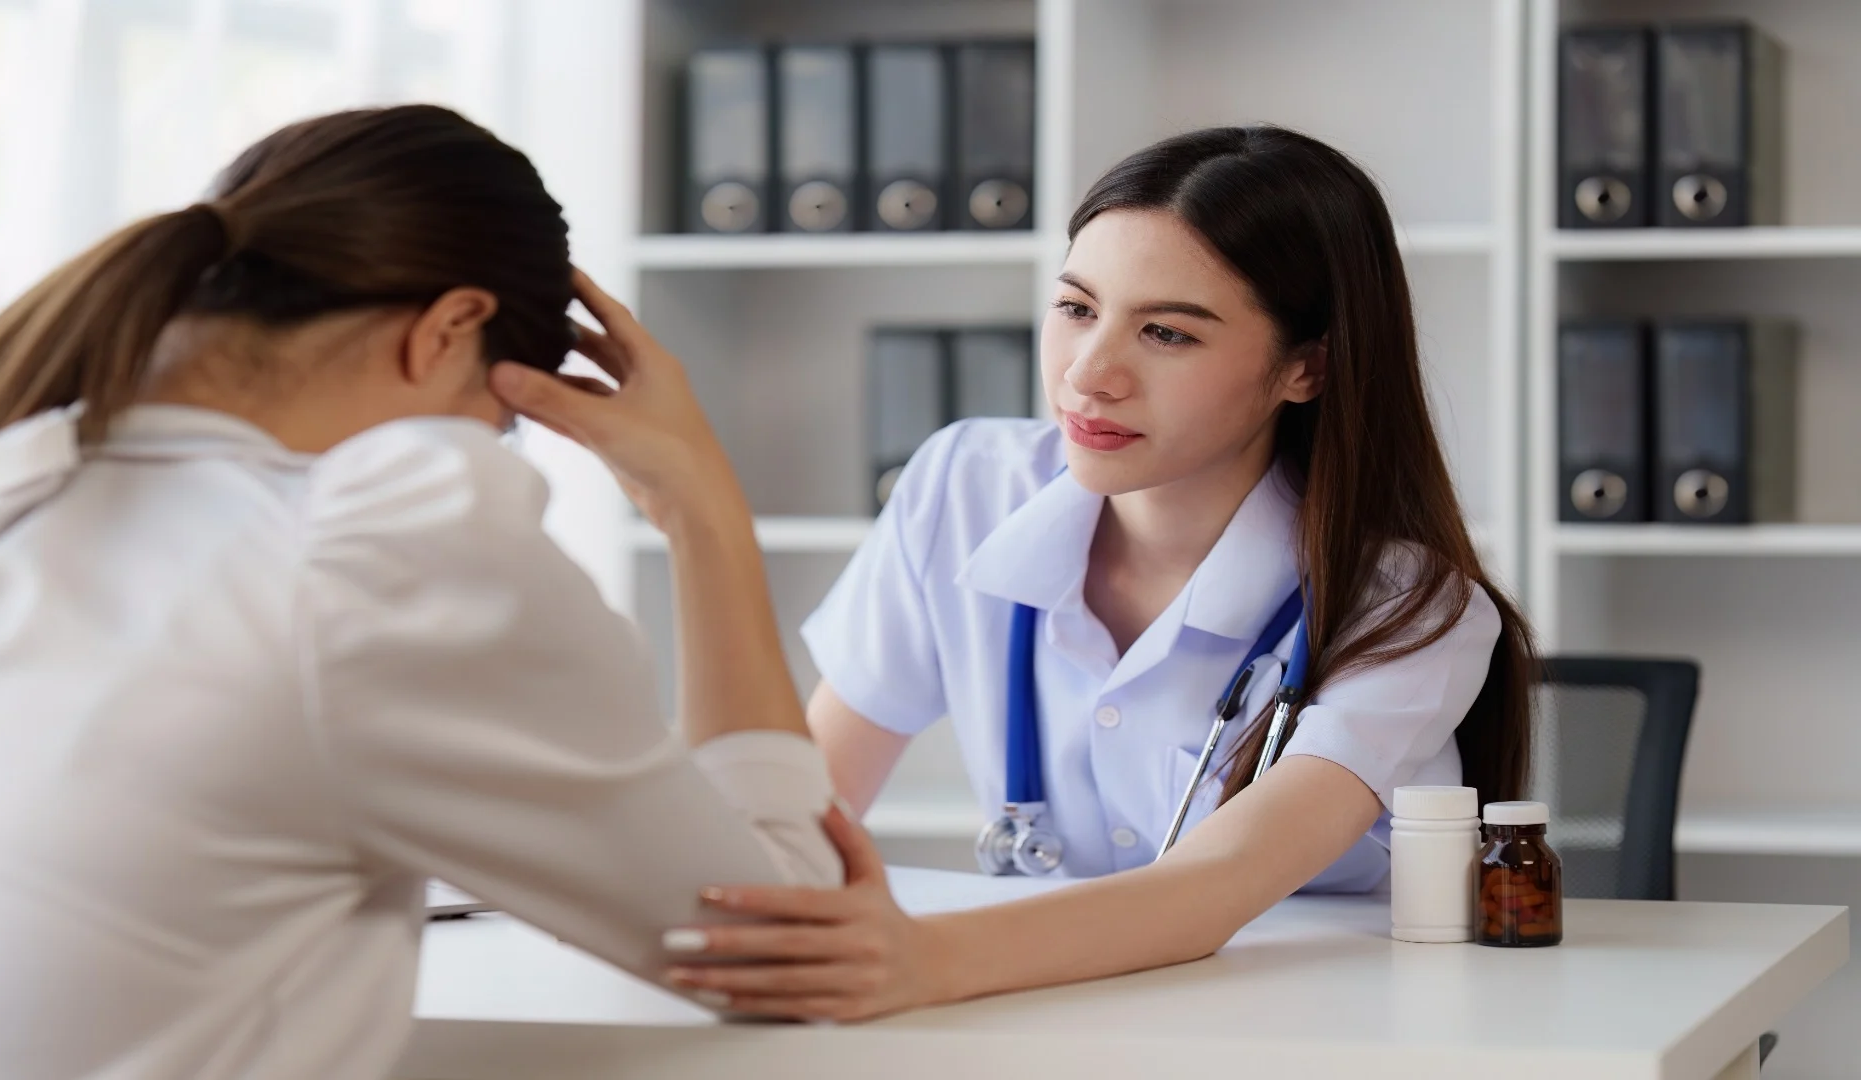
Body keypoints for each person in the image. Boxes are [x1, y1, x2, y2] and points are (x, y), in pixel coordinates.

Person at [0, 105, 845, 1079]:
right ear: (451, 328)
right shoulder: (376, 543)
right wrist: (700, 502)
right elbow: (783, 943)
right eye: (503, 418)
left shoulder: (8, 488)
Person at [656, 126, 1538, 1019]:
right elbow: (802, 808)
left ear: (1303, 369)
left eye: (1166, 333)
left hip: (1310, 1029)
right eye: (1077, 308)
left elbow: (1217, 883)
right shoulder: (964, 485)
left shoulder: (1412, 608)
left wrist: (917, 959)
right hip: (1039, 1006)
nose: (1089, 373)